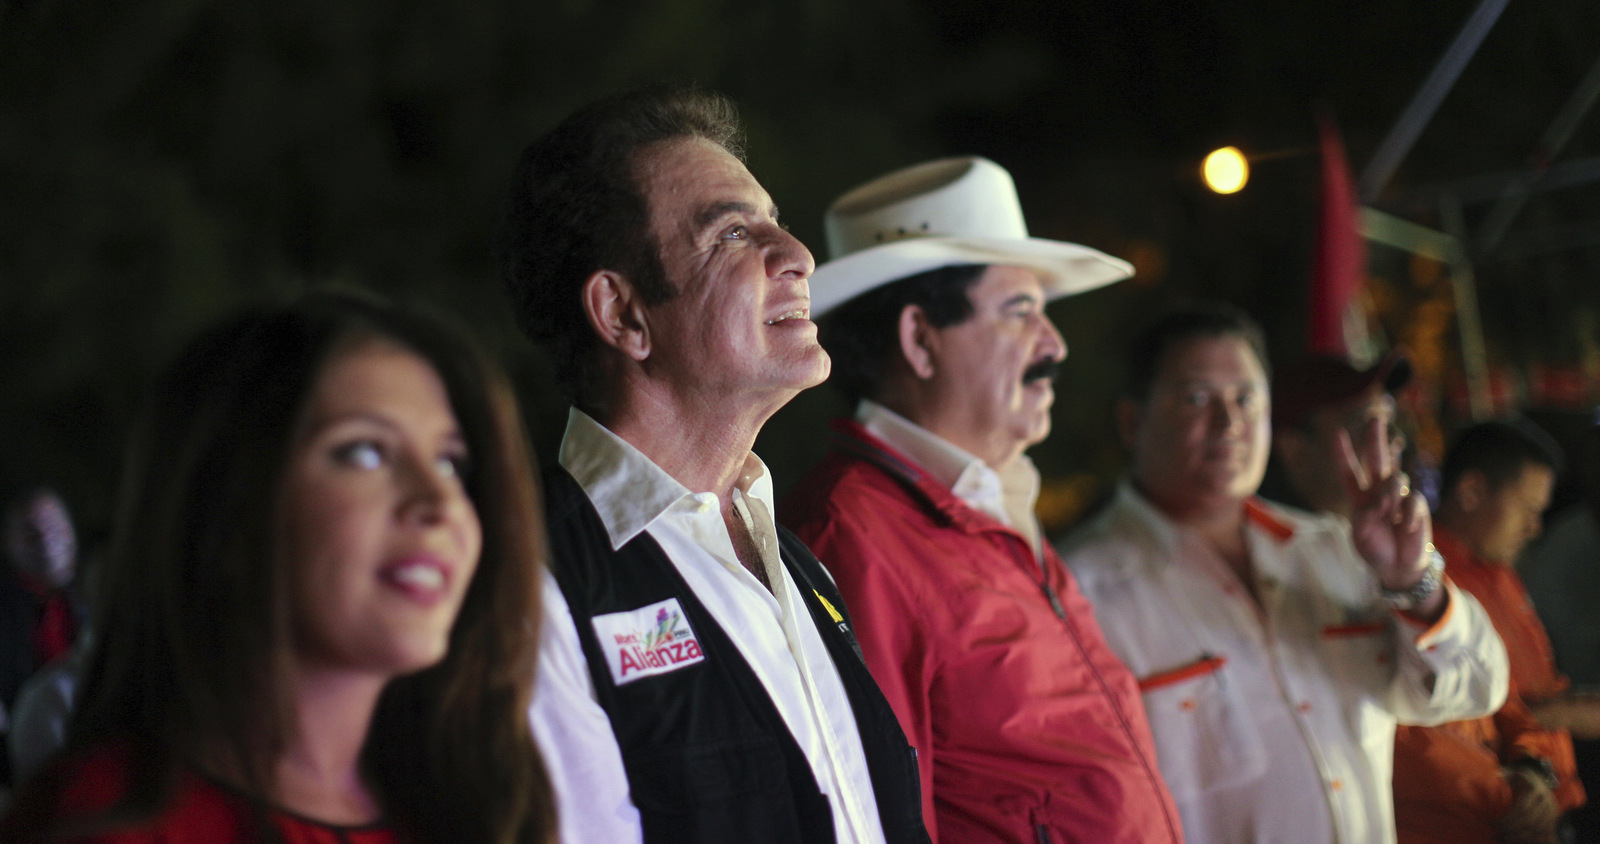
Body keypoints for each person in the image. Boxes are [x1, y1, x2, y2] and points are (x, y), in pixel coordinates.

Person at [496, 87, 927, 844]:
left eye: (776, 223)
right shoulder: (535, 584)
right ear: (624, 315)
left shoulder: (794, 560)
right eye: (731, 234)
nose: (796, 256)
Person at [0, 292, 554, 843]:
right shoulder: (109, 825)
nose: (441, 503)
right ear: (226, 507)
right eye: (364, 452)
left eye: (449, 462)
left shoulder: (481, 805)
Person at [778, 155, 1182, 842]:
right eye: (1021, 312)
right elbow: (881, 812)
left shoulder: (986, 498)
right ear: (919, 339)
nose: (1053, 344)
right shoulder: (851, 533)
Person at [1059, 302, 1508, 844]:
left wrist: (1414, 582)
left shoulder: (1333, 548)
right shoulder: (1080, 590)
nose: (1229, 424)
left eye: (1247, 399)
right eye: (1196, 398)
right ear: (1134, 420)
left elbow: (1477, 689)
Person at [1393, 420, 1595, 844]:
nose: (1535, 528)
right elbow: (1460, 725)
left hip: (1546, 793)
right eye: (1527, 510)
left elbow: (1521, 697)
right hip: (1495, 817)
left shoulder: (1499, 573)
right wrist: (1555, 722)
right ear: (1472, 492)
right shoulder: (1430, 589)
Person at [0, 487, 84, 789]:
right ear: (8, 543)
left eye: (52, 525)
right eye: (30, 531)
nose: (46, 538)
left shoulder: (98, 600)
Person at [1266, 351, 1412, 519]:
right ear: (1295, 449)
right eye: (1365, 426)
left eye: (1388, 424)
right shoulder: (1258, 540)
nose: (1396, 440)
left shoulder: (1396, 534)